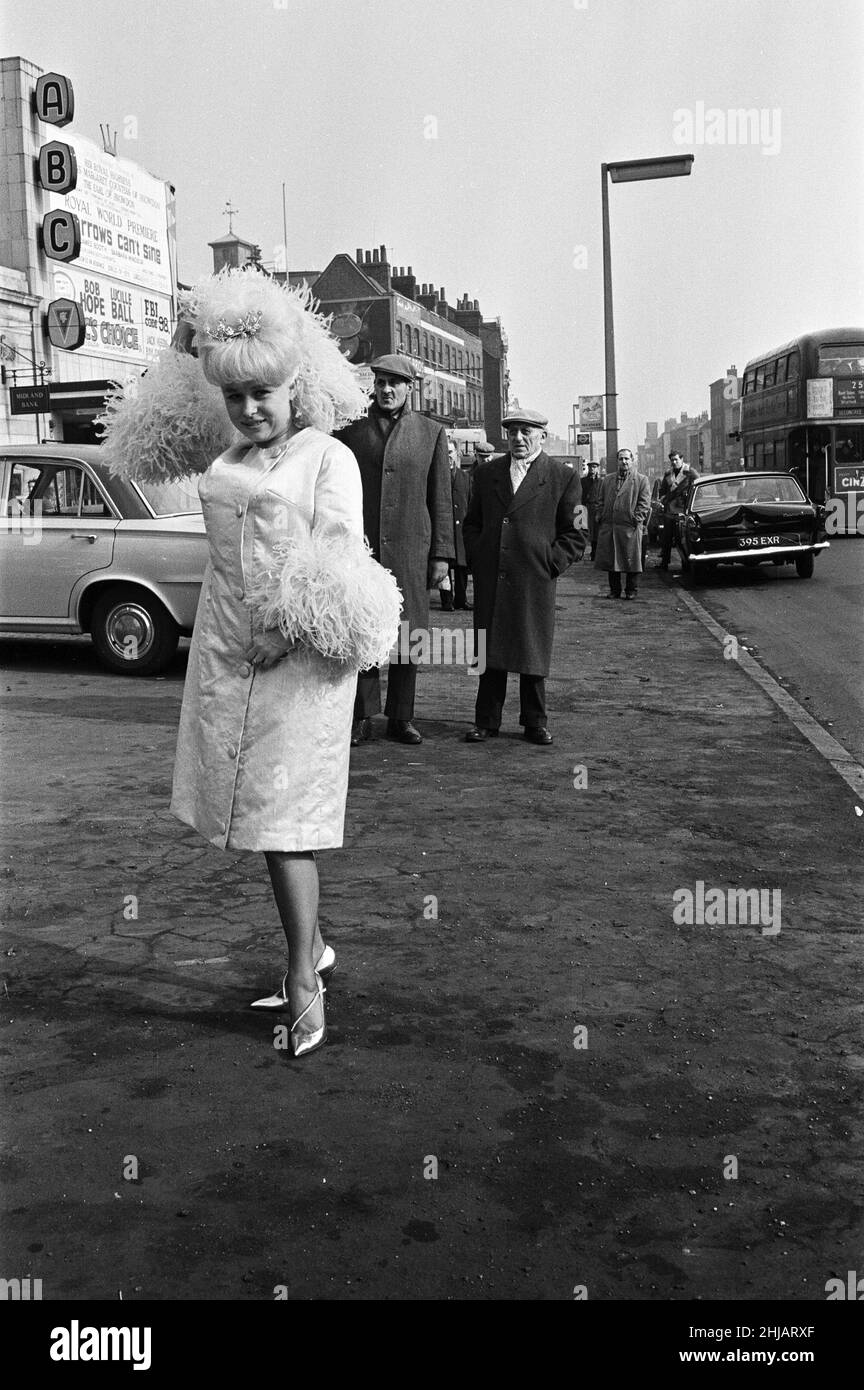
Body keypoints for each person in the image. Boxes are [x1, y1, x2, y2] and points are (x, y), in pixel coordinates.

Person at [100, 269, 401, 1058]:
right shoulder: (228, 452)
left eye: (262, 392)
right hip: (229, 657)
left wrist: (292, 633)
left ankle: (306, 981)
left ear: (295, 380)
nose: (249, 409)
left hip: (298, 665)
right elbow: (140, 448)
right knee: (261, 825)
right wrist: (180, 346)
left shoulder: (327, 458)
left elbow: (343, 566)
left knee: (287, 826)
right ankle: (314, 950)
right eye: (234, 396)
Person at [336, 355, 454, 746]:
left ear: (409, 388)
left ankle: (401, 717)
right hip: (363, 549)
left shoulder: (430, 433)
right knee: (362, 632)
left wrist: (440, 555)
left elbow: (440, 499)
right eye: (381, 382)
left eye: (395, 383)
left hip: (410, 551)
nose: (386, 390)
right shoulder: (351, 431)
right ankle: (363, 715)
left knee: (408, 634)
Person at [462, 408, 586, 745]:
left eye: (526, 431)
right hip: (493, 577)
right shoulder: (487, 475)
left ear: (542, 436)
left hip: (534, 578)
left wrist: (551, 562)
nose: (518, 438)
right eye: (513, 431)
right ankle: (486, 720)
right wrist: (479, 555)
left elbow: (578, 531)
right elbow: (472, 523)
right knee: (488, 651)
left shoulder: (563, 477)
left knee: (532, 649)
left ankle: (535, 722)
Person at [594, 448, 651, 599]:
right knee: (612, 560)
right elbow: (599, 501)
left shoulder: (641, 480)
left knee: (631, 560)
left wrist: (636, 519)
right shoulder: (607, 480)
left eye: (627, 459)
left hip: (630, 527)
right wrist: (601, 515)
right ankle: (615, 590)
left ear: (632, 460)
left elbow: (644, 504)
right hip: (611, 526)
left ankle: (631, 591)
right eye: (621, 459)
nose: (624, 462)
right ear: (617, 461)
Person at [440, 436, 471, 611]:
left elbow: (471, 503)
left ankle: (461, 599)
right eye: (444, 453)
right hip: (443, 531)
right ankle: (446, 601)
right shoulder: (435, 476)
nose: (447, 456)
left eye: (450, 452)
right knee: (444, 569)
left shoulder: (465, 478)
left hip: (460, 531)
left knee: (461, 568)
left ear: (457, 454)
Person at [656, 450, 699, 569]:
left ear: (682, 459)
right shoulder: (668, 473)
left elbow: (698, 486)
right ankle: (664, 563)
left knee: (682, 539)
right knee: (666, 538)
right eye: (672, 460)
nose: (674, 462)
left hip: (683, 510)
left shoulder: (690, 472)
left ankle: (686, 563)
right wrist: (663, 498)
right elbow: (663, 490)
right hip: (670, 511)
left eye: (676, 460)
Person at [580, 458, 603, 560]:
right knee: (582, 530)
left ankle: (594, 553)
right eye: (590, 467)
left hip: (596, 508)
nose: (592, 469)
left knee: (595, 532)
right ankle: (580, 553)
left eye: (594, 467)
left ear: (597, 469)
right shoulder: (583, 481)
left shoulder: (601, 482)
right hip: (584, 507)